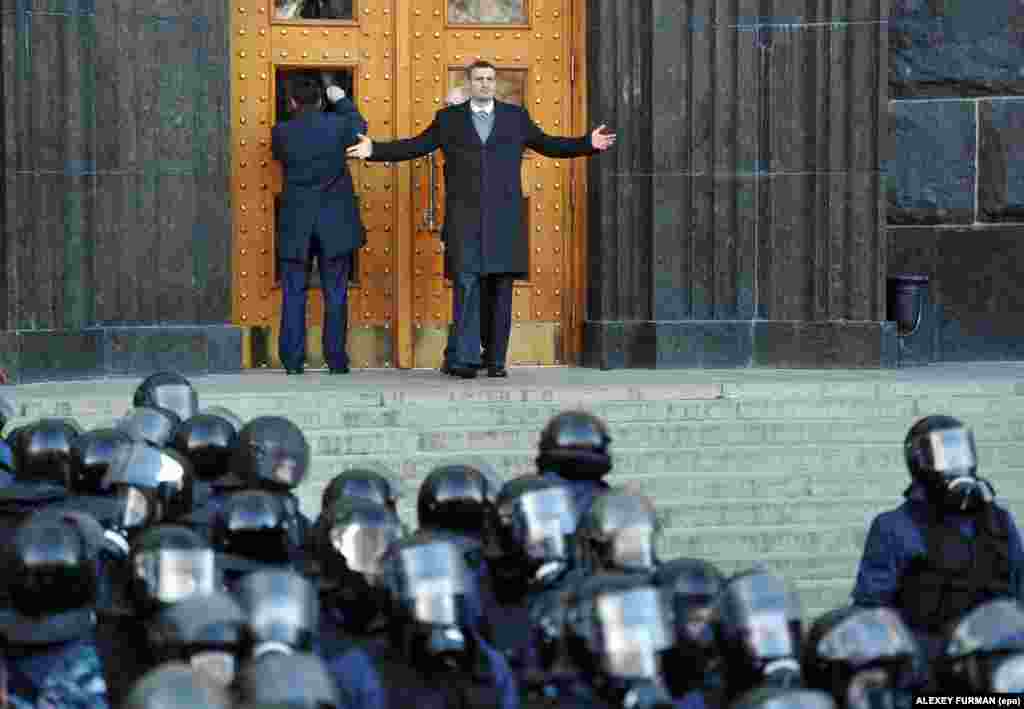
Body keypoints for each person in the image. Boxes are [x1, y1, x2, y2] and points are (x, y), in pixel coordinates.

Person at [347, 60, 616, 379]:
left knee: (501, 291)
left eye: (490, 79)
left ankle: (496, 361)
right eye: (479, 79)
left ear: (496, 84)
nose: (485, 84)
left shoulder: (516, 118)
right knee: (467, 286)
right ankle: (464, 359)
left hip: (505, 220)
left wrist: (587, 144)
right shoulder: (448, 120)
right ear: (470, 83)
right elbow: (415, 146)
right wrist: (374, 149)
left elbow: (549, 144)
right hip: (465, 220)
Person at [851, 415, 1024, 660]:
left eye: (961, 453)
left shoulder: (1000, 521)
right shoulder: (894, 527)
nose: (955, 464)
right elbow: (872, 614)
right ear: (918, 462)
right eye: (944, 455)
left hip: (1002, 662)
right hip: (934, 665)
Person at [272, 74, 368, 375]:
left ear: (291, 103)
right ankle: (336, 360)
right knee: (336, 292)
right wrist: (341, 100)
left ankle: (292, 361)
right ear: (321, 101)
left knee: (293, 292)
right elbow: (360, 129)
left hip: (296, 221)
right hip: (334, 221)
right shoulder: (340, 125)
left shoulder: (281, 132)